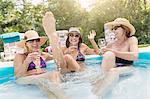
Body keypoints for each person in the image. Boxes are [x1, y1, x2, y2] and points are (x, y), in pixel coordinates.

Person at [14, 11, 83, 99]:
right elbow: (18, 75)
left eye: (37, 40)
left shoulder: (43, 55)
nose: (35, 43)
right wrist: (27, 61)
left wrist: (63, 49)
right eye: (31, 41)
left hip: (39, 79)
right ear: (26, 44)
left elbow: (58, 61)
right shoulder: (20, 56)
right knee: (52, 75)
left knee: (49, 84)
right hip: (24, 80)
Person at [88, 18, 138, 97]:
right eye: (113, 29)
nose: (113, 31)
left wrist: (113, 51)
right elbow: (100, 52)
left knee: (113, 71)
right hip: (113, 67)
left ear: (124, 29)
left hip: (127, 67)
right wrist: (92, 40)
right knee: (108, 55)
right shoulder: (112, 44)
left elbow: (134, 56)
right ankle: (100, 84)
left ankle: (97, 97)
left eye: (116, 28)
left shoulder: (131, 40)